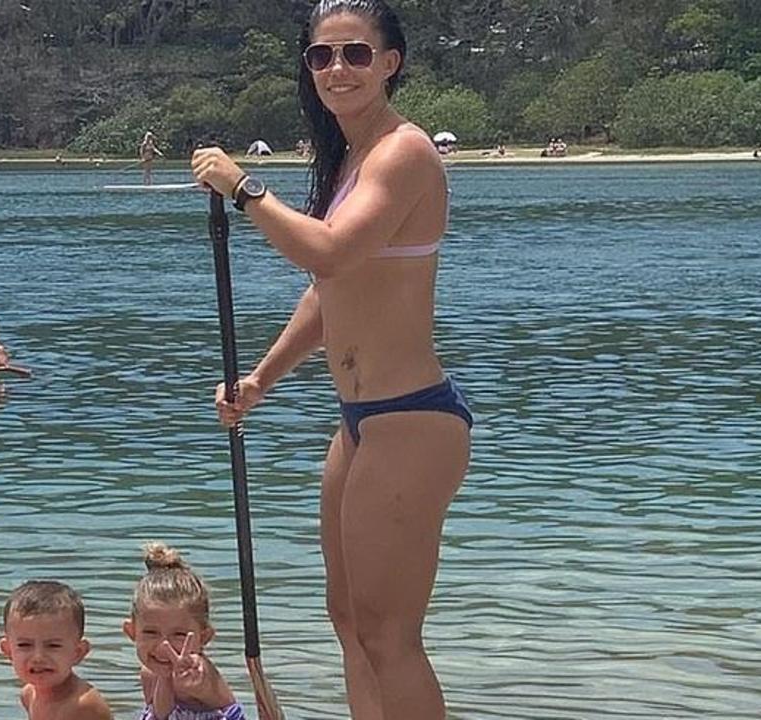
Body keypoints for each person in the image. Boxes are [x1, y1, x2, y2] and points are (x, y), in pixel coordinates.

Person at [190, 1, 471, 718]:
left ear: (389, 63)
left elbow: (331, 250)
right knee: (348, 620)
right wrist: (260, 379)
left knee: (390, 635)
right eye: (321, 56)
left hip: (412, 418)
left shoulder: (404, 151)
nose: (337, 68)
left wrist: (246, 187)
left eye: (354, 53)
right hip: (358, 421)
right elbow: (330, 288)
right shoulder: (350, 157)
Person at [122, 543, 245, 720]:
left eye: (179, 635)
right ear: (131, 631)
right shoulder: (149, 672)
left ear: (204, 637)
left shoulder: (197, 671)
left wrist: (186, 680)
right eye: (150, 632)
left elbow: (196, 686)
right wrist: (164, 678)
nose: (164, 645)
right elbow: (162, 714)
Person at [0, 580, 114, 720]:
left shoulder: (83, 706)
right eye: (24, 645)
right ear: (8, 650)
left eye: (53, 646)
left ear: (78, 652)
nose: (38, 657)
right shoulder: (29, 694)